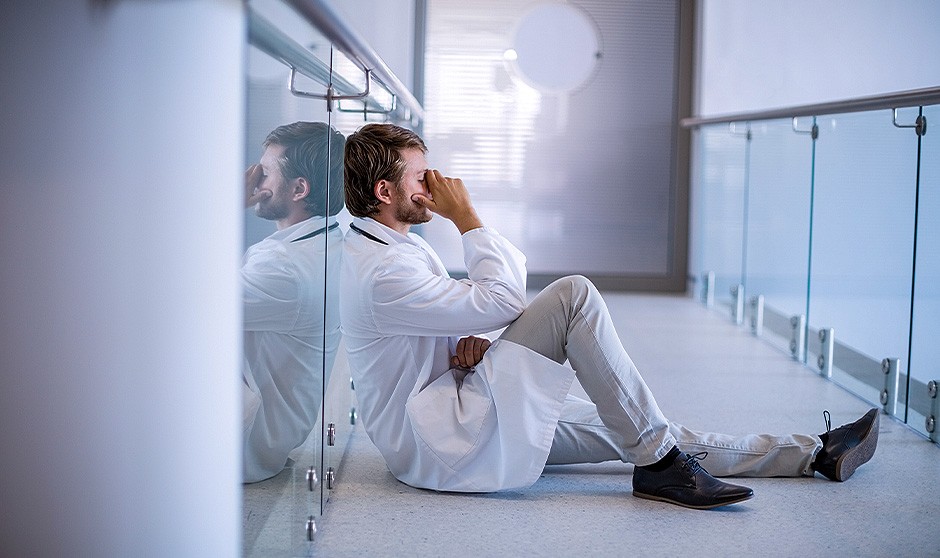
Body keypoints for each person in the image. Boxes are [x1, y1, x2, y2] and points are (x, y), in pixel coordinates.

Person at [338, 123, 879, 509]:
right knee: (574, 295)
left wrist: (470, 343)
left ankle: (814, 455)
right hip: (443, 439)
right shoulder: (384, 271)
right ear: (385, 191)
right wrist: (467, 218)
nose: (434, 185)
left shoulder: (388, 249)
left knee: (646, 430)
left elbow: (456, 313)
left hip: (460, 406)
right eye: (419, 176)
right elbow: (505, 300)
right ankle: (662, 468)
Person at [241, 121, 345, 483]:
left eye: (265, 173)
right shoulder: (329, 243)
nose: (254, 182)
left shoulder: (284, 268)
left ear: (299, 188)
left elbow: (183, 301)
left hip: (243, 444)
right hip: (275, 435)